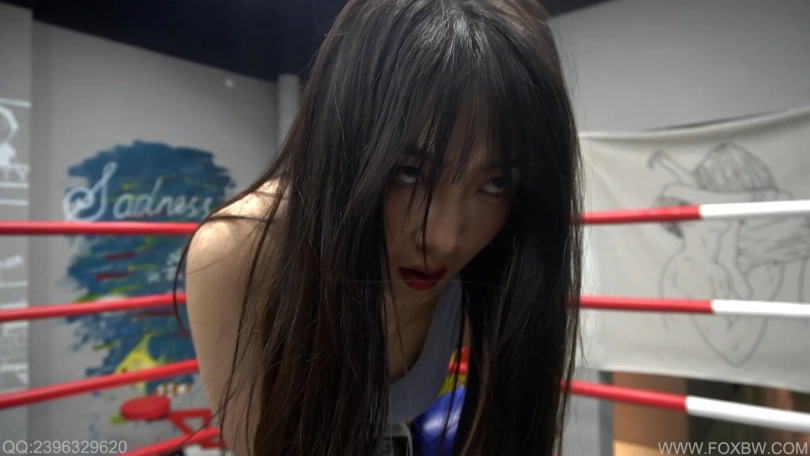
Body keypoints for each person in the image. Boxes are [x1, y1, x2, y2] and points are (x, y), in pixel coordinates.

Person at [182, 0, 583, 454]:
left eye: (495, 183)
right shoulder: (239, 251)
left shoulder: (499, 254)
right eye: (408, 172)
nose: (443, 239)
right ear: (341, 140)